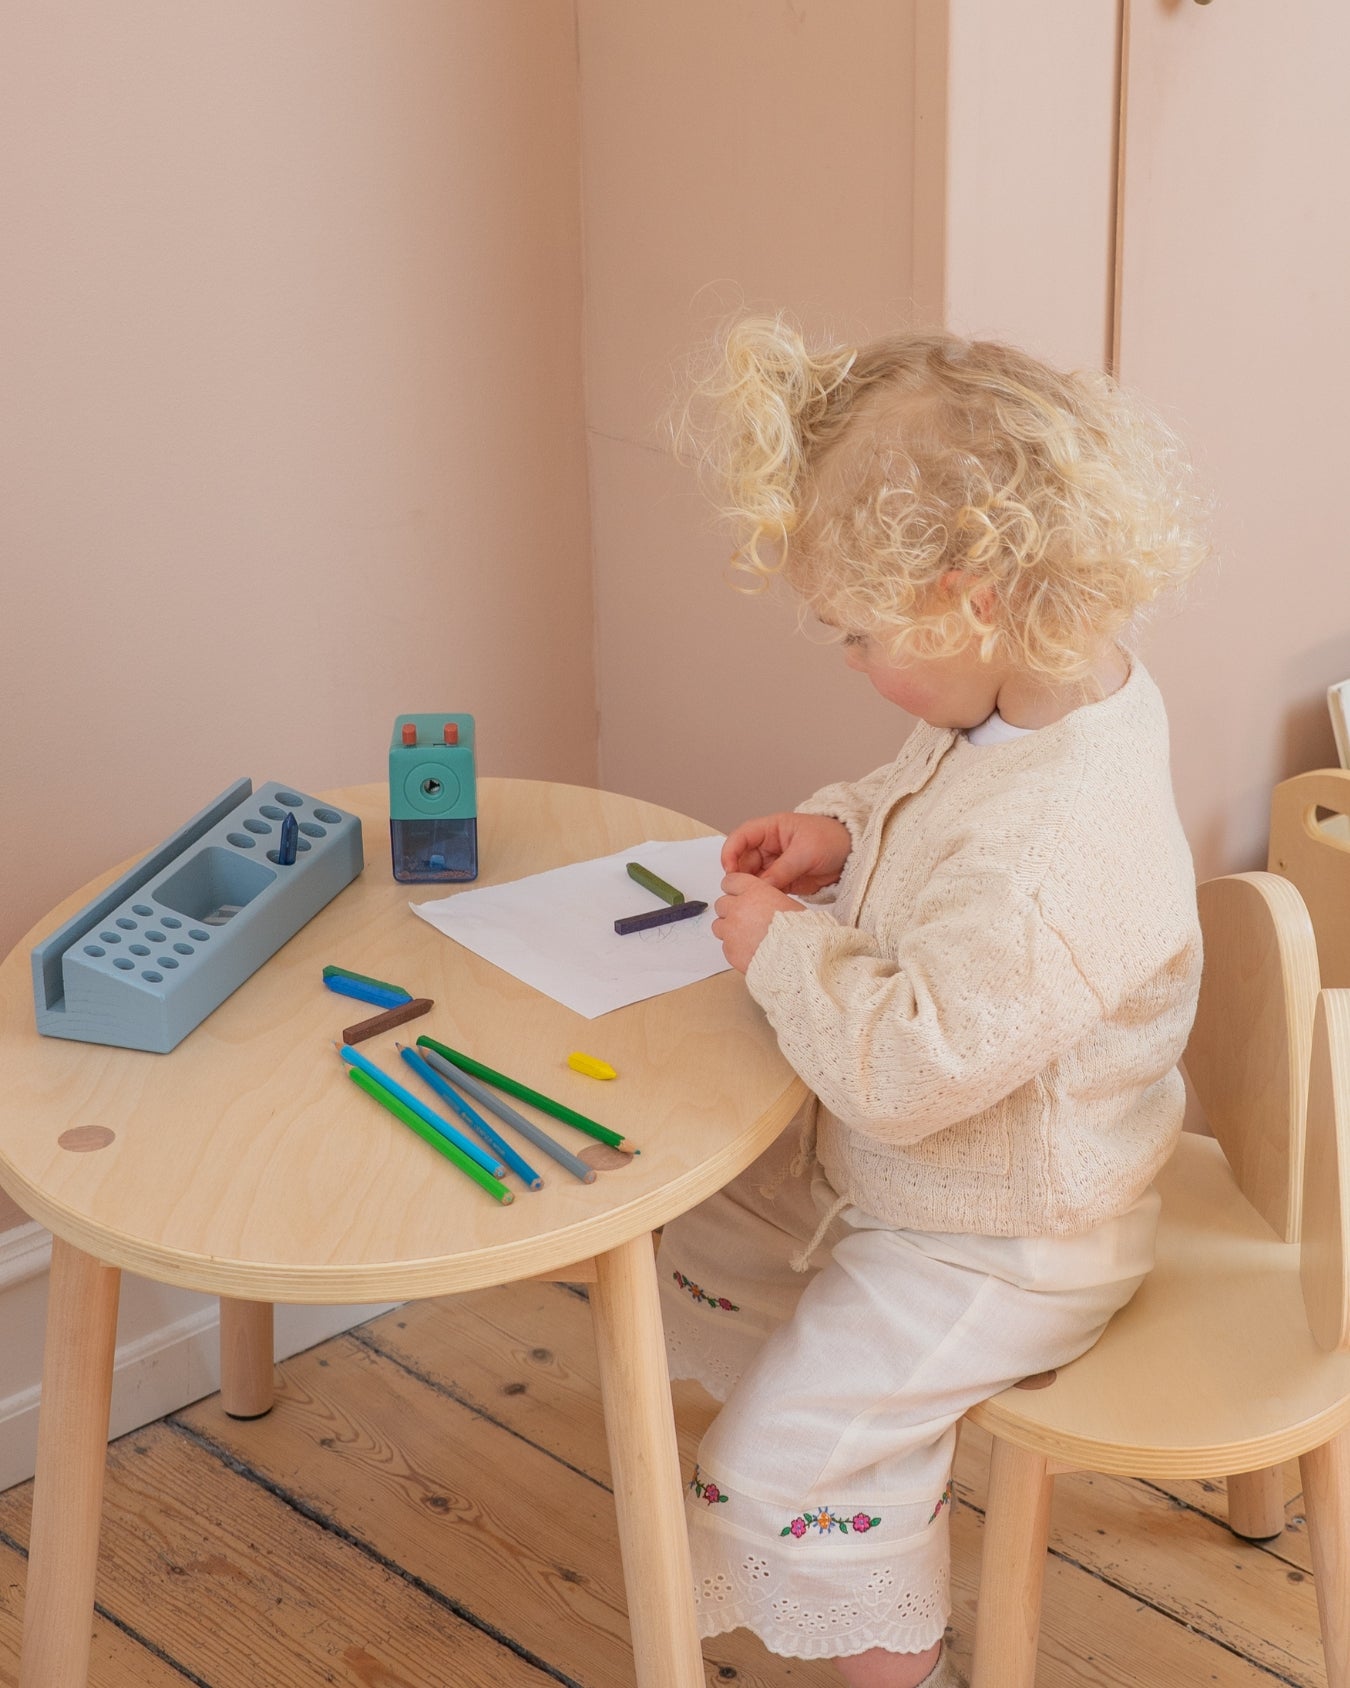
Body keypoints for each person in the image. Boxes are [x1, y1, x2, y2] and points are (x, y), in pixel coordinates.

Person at [657, 317, 1209, 1687]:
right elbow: (931, 803)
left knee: (782, 1467)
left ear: (966, 599)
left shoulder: (1052, 845)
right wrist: (842, 835)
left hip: (1010, 1239)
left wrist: (781, 949)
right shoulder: (1033, 700)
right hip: (935, 1185)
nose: (847, 661)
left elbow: (909, 1069)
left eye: (854, 634)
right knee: (691, 1230)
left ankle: (897, 1663)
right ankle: (849, 1406)